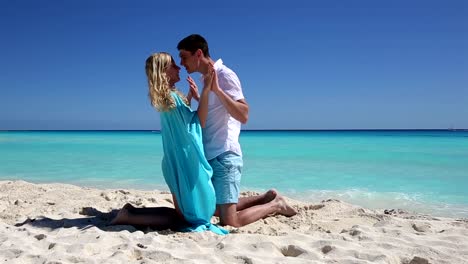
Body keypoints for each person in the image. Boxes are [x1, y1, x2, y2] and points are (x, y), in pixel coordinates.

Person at [177, 34, 297, 227]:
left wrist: (216, 90)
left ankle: (276, 205)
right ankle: (264, 197)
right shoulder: (206, 78)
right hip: (210, 155)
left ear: (198, 53)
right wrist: (201, 98)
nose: (181, 62)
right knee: (213, 209)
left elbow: (244, 114)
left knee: (229, 221)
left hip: (225, 155)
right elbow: (217, 112)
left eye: (184, 56)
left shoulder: (225, 75)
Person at [111, 52, 226, 234]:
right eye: (173, 65)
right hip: (185, 163)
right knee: (194, 218)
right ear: (164, 72)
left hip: (176, 161)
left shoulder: (167, 98)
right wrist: (206, 90)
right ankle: (129, 216)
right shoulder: (172, 98)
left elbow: (181, 122)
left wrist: (190, 97)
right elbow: (197, 123)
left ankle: (131, 213)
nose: (179, 67)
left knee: (185, 216)